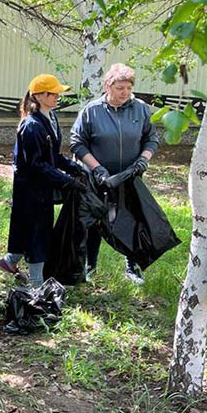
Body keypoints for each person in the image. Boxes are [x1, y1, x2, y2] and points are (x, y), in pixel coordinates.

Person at [70, 63, 160, 285]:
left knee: (130, 220)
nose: (125, 93)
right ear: (108, 86)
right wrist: (97, 168)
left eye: (129, 88)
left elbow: (152, 138)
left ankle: (132, 267)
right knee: (95, 221)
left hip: (130, 176)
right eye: (120, 88)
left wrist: (143, 160)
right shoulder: (92, 111)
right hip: (99, 178)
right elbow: (77, 142)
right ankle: (90, 265)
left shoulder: (140, 109)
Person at [0, 74, 85, 288]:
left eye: (57, 93)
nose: (57, 97)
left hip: (42, 188)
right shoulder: (31, 126)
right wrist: (66, 180)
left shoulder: (50, 119)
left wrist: (73, 168)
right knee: (37, 233)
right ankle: (37, 284)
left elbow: (52, 156)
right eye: (53, 93)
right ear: (39, 96)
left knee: (30, 229)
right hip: (30, 190)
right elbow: (36, 164)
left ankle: (9, 262)